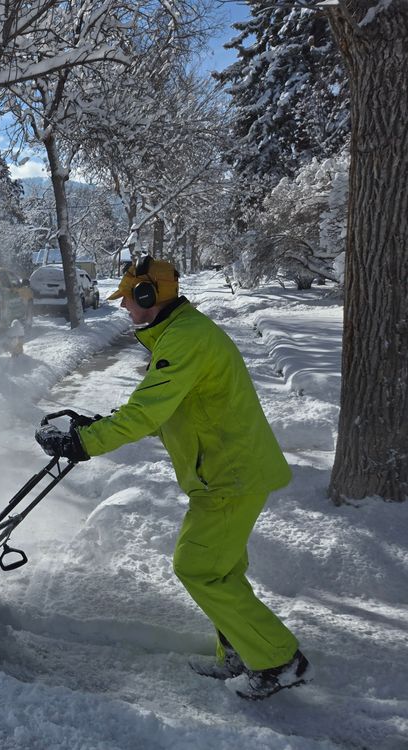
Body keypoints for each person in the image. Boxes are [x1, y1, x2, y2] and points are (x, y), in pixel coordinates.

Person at [35, 256, 311, 701]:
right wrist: (95, 426)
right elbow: (166, 412)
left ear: (150, 296)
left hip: (230, 476)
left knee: (197, 567)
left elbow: (146, 413)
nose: (123, 305)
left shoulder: (185, 340)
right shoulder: (181, 334)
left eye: (128, 297)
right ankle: (243, 652)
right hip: (226, 472)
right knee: (222, 572)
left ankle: (280, 660)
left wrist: (84, 443)